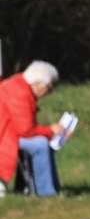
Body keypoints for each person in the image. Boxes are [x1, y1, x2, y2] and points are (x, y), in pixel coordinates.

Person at [0, 60, 67, 197]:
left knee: (41, 141)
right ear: (39, 83)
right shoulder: (20, 93)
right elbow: (26, 130)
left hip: (7, 131)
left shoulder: (17, 85)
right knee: (40, 144)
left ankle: (43, 187)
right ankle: (45, 192)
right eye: (49, 88)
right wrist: (51, 130)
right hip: (5, 135)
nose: (47, 92)